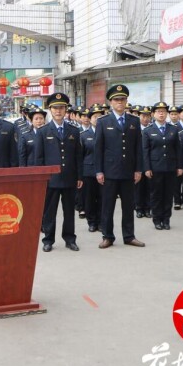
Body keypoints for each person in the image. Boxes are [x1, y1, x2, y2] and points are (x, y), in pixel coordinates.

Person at [94, 84, 145, 249]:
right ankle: (108, 236)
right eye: (117, 100)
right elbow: (98, 148)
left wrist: (138, 169)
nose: (120, 102)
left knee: (128, 206)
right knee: (107, 206)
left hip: (128, 171)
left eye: (122, 99)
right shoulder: (103, 121)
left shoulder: (134, 121)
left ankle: (129, 236)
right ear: (110, 102)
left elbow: (138, 147)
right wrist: (99, 171)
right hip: (109, 172)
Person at [35, 93, 83, 252]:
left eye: (61, 108)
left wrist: (79, 176)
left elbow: (78, 155)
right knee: (49, 211)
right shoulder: (43, 131)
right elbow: (39, 158)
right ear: (50, 109)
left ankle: (70, 239)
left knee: (69, 211)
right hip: (51, 179)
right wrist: (40, 178)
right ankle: (48, 239)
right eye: (55, 108)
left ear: (66, 110)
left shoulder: (74, 131)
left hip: (69, 177)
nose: (58, 111)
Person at [142, 102, 183, 230]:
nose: (161, 113)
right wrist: (147, 168)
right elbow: (145, 151)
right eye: (158, 111)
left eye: (164, 111)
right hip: (155, 168)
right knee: (156, 195)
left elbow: (178, 149)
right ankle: (157, 219)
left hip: (170, 167)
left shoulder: (174, 129)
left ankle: (166, 219)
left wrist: (180, 166)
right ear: (153, 114)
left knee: (168, 194)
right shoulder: (148, 131)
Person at [81, 105, 104, 232]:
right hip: (88, 171)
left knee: (102, 198)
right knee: (89, 198)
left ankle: (101, 222)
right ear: (90, 119)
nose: (97, 119)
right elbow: (81, 155)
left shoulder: (107, 133)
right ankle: (91, 222)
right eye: (95, 117)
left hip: (104, 171)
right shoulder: (84, 135)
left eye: (100, 116)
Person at [135, 106, 152, 218]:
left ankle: (147, 208)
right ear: (139, 116)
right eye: (143, 116)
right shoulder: (135, 129)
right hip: (138, 162)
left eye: (147, 116)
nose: (145, 119)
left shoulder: (152, 129)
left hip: (150, 162)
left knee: (149, 187)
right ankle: (139, 208)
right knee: (138, 187)